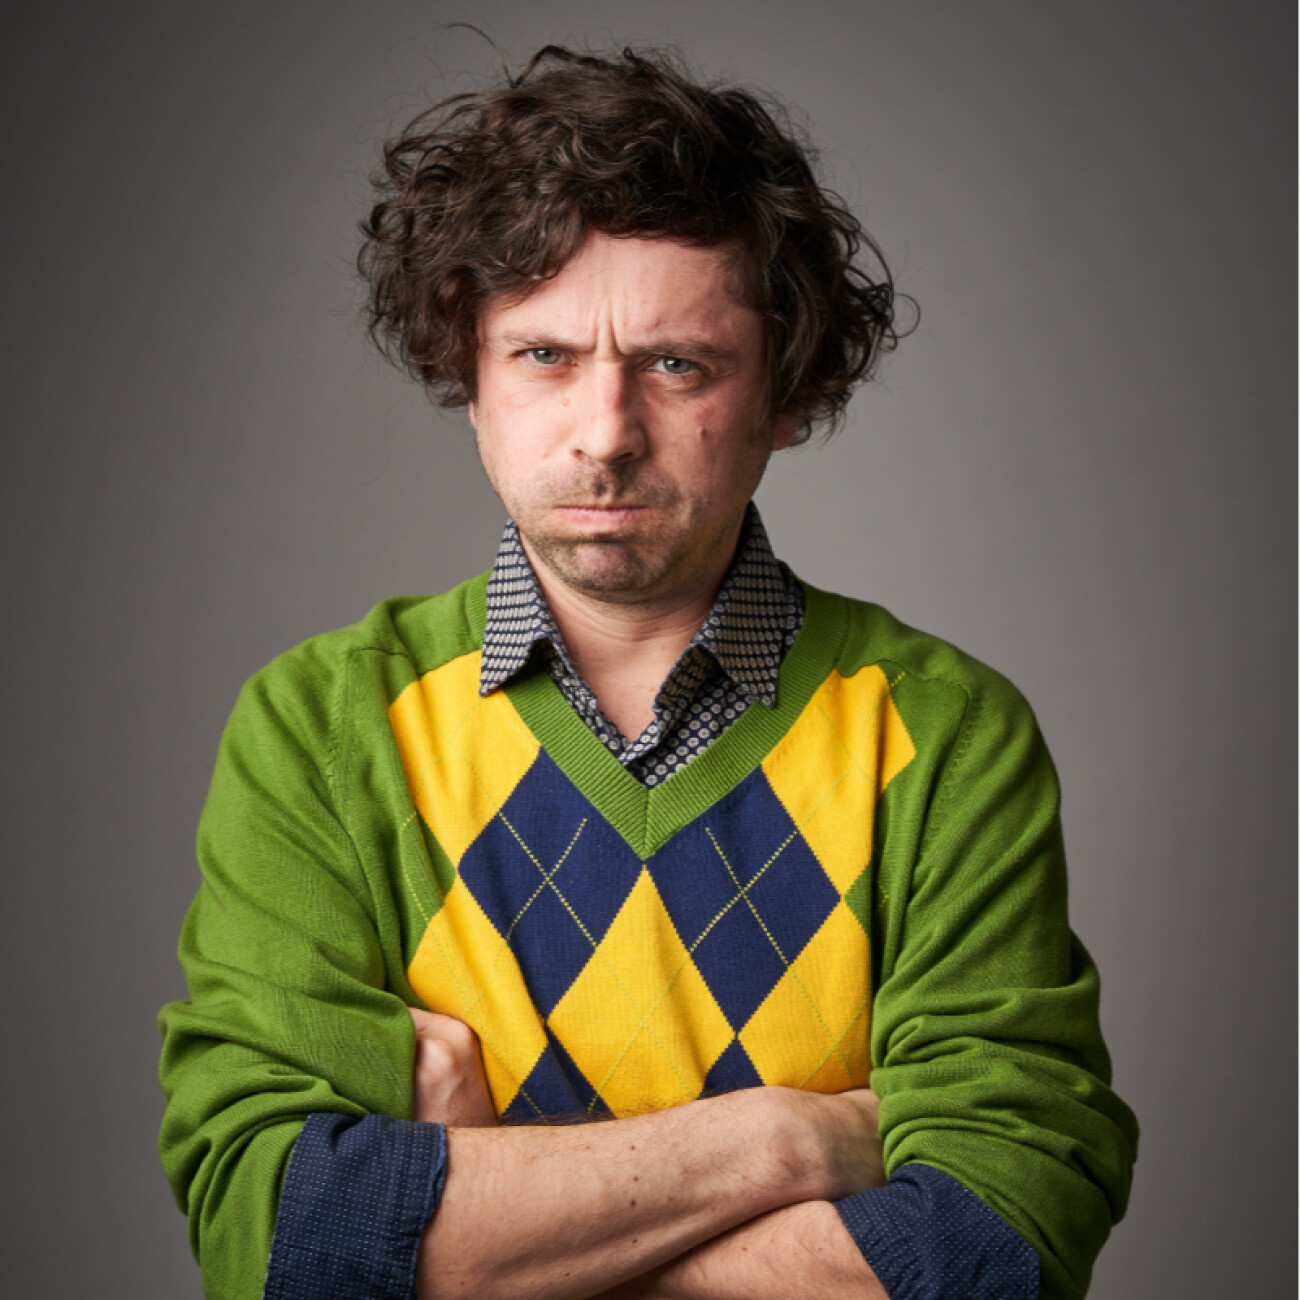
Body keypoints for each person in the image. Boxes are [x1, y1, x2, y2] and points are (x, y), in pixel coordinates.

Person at [158, 45, 1138, 1300]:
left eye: (677, 364)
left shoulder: (942, 734)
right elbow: (282, 1239)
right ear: (470, 379)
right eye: (544, 356)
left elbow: (996, 1248)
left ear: (786, 394)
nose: (606, 433)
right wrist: (787, 1140)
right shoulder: (325, 726)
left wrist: (478, 1231)